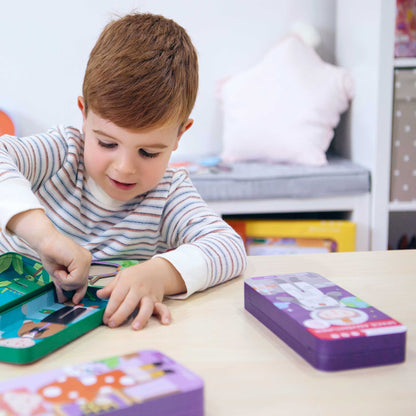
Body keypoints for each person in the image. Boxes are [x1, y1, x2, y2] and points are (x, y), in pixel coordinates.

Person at [0, 12, 247, 330]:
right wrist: (45, 237)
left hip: (94, 337)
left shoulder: (168, 194)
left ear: (179, 136)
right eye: (106, 144)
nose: (125, 167)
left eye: (148, 152)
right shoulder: (62, 153)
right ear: (84, 115)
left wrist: (158, 274)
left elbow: (228, 247)